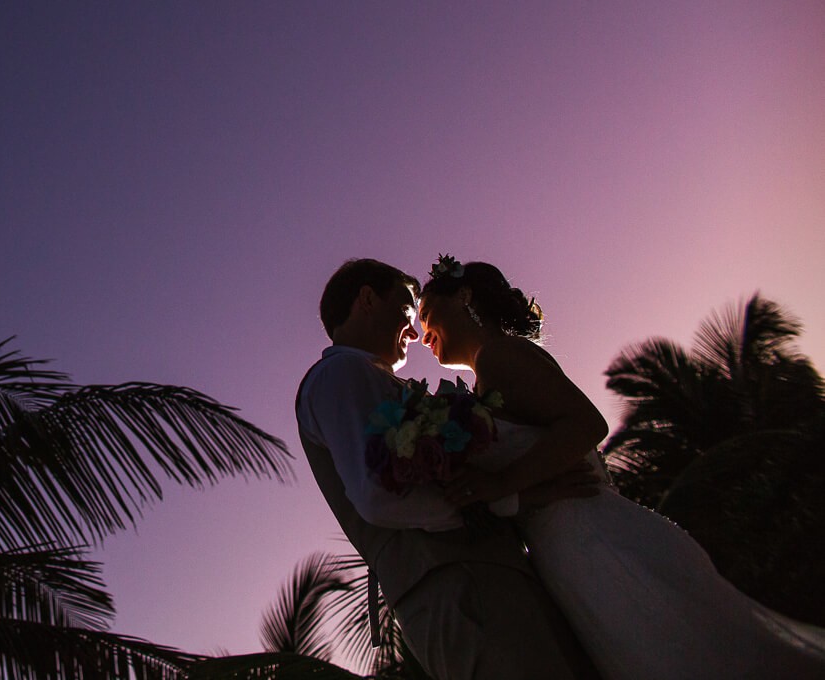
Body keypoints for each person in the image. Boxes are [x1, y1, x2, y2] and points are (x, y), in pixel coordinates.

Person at [419, 256, 825, 680]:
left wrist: (501, 481)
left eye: (427, 313)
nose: (421, 335)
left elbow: (586, 424)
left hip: (597, 543)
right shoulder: (486, 374)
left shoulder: (498, 354)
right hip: (570, 553)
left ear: (464, 296)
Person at [296, 258, 598, 680]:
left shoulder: (370, 378)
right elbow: (378, 496)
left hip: (483, 578)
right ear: (367, 299)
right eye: (406, 307)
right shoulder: (341, 373)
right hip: (458, 586)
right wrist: (508, 499)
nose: (415, 331)